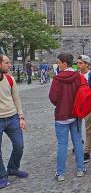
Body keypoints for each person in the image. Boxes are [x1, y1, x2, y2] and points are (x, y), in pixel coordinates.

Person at [49, 53, 86, 182]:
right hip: (75, 115)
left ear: (64, 64)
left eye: (59, 62)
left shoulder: (57, 79)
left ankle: (61, 173)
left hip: (61, 115)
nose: (57, 65)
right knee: (77, 143)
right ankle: (80, 169)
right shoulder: (78, 76)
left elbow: (53, 98)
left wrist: (60, 103)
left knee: (62, 144)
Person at [0, 54, 28, 189]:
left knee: (19, 146)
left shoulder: (10, 79)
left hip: (12, 117)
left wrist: (21, 116)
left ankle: (13, 168)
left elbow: (16, 99)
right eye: (6, 62)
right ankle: (1, 175)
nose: (9, 65)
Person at [77, 55, 91, 163]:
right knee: (77, 128)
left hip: (89, 107)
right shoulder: (75, 76)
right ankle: (78, 144)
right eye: (78, 63)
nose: (78, 65)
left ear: (87, 65)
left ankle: (87, 151)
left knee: (89, 130)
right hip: (78, 107)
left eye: (80, 63)